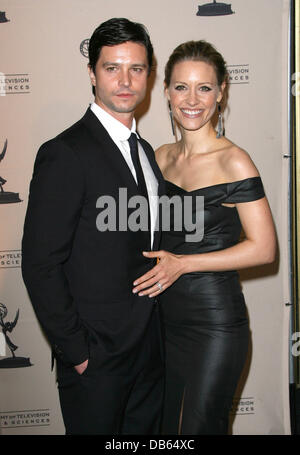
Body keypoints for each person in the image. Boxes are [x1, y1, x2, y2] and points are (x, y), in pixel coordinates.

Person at [21, 18, 165, 435]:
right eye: (111, 67)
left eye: (136, 68)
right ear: (92, 73)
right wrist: (78, 351)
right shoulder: (65, 152)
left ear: (149, 75)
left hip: (150, 351)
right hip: (97, 359)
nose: (125, 80)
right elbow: (40, 263)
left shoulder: (145, 152)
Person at [132, 40, 276, 434]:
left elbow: (264, 249)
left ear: (221, 91)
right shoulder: (158, 157)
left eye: (204, 87)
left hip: (214, 325)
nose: (192, 99)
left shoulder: (234, 160)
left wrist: (184, 264)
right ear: (165, 91)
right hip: (161, 321)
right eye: (181, 87)